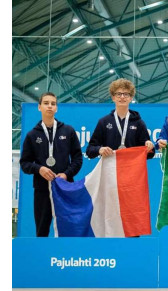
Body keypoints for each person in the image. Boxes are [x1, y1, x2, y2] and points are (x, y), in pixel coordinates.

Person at [20, 92, 83, 237]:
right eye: (46, 103)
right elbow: (25, 163)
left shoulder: (68, 131)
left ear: (57, 108)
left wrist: (67, 174)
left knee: (68, 229)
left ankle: (68, 258)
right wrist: (39, 168)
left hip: (65, 189)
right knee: (41, 231)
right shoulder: (32, 135)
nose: (50, 106)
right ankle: (42, 259)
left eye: (53, 104)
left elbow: (78, 159)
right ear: (39, 107)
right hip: (42, 190)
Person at [86, 78, 155, 159]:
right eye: (118, 94)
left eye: (126, 94)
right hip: (110, 169)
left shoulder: (138, 123)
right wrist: (99, 149)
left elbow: (150, 154)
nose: (122, 97)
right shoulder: (104, 122)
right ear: (113, 97)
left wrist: (150, 146)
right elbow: (89, 150)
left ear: (131, 98)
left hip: (132, 168)